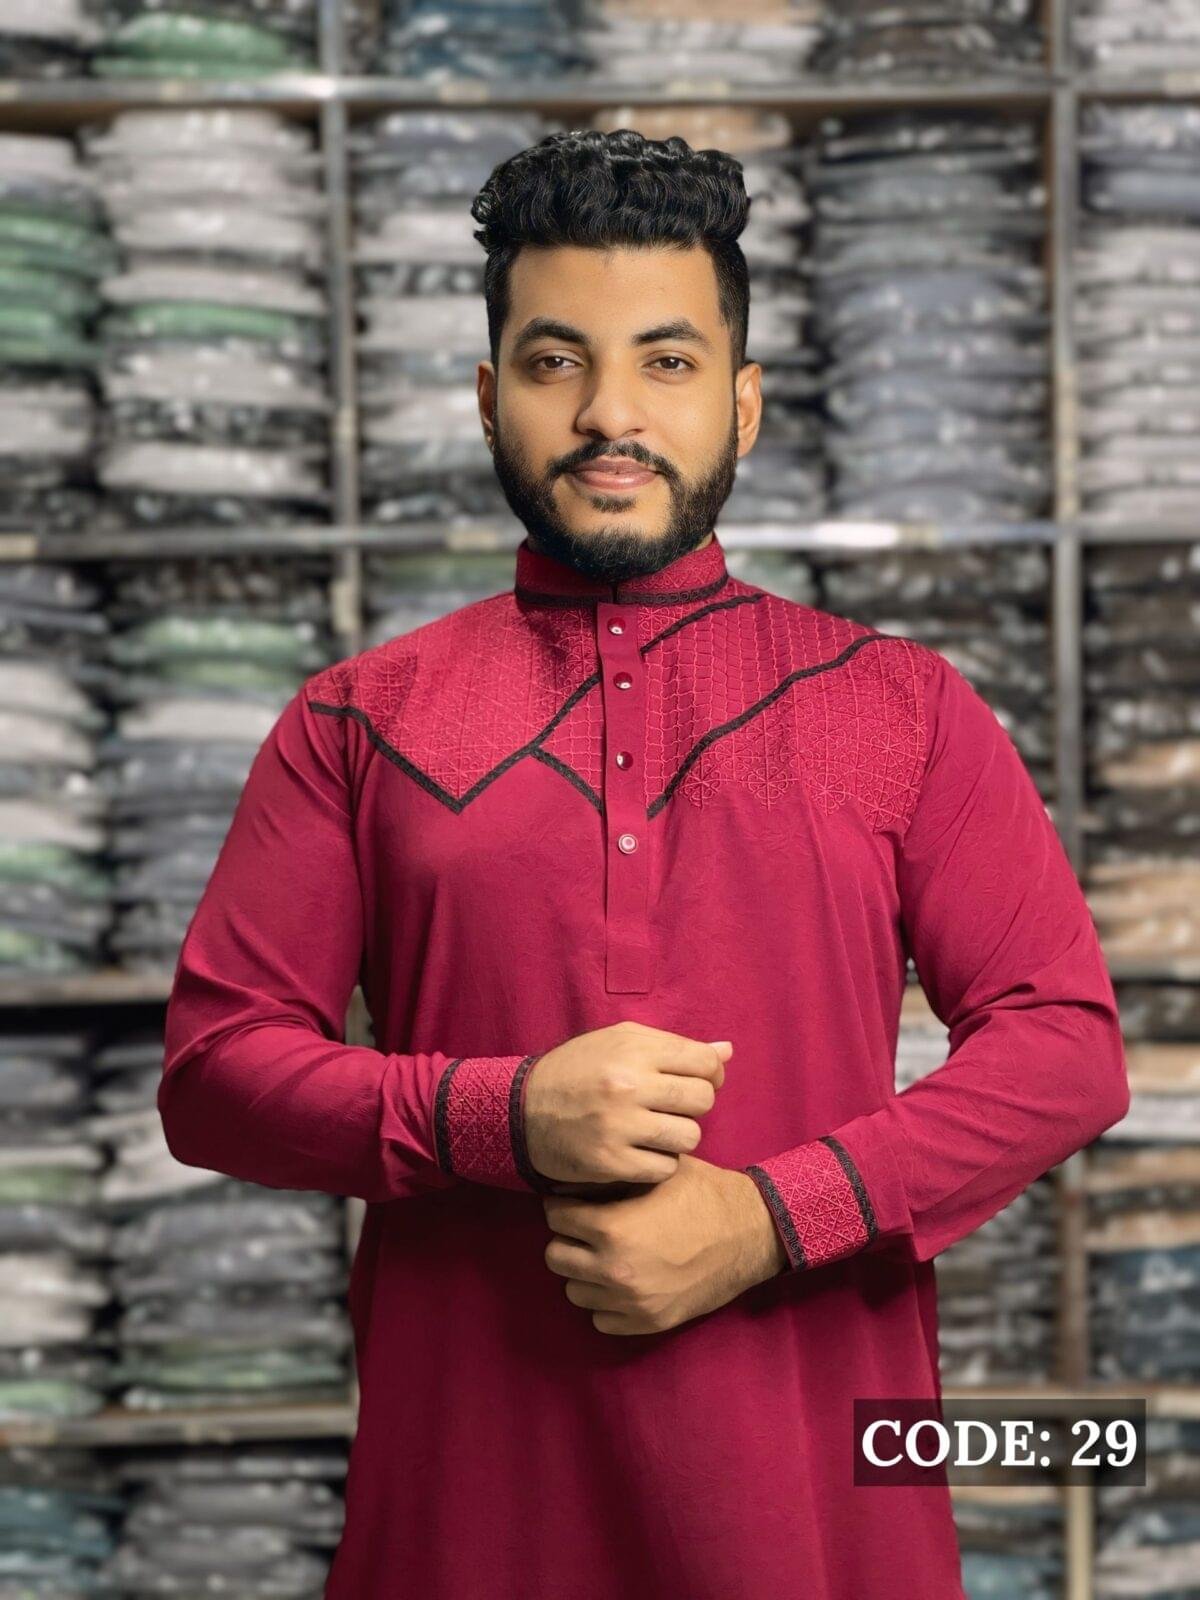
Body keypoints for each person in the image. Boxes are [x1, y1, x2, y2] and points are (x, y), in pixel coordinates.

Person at [159, 128, 1130, 1599]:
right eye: (555, 362)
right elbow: (215, 1073)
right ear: (488, 396)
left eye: (667, 363)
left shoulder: (899, 706)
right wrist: (501, 1117)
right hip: (466, 1535)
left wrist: (765, 1219)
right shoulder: (359, 721)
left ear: (743, 401)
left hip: (822, 1534)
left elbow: (1065, 1049)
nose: (610, 413)